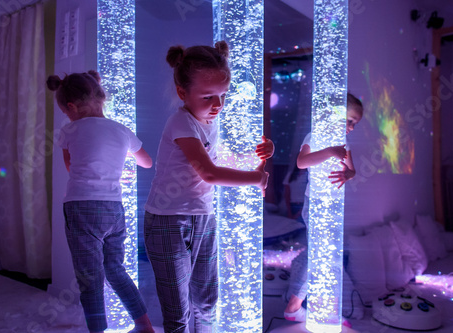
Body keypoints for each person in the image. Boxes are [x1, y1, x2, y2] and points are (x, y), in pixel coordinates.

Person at [144, 41, 274, 333]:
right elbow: (210, 173)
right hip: (167, 221)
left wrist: (259, 154)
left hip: (204, 217)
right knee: (178, 312)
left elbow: (221, 159)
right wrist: (256, 178)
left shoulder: (209, 121)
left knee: (207, 302)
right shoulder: (181, 123)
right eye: (207, 97)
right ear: (182, 92)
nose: (217, 105)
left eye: (222, 96)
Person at [47, 70, 155, 333]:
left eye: (65, 111)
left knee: (90, 277)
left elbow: (72, 167)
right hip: (114, 209)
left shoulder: (69, 130)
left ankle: (97, 329)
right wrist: (121, 163)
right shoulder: (121, 130)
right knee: (115, 269)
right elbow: (147, 162)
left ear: (70, 106)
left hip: (81, 207)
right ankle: (145, 325)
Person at [283, 93, 363, 322]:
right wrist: (330, 151)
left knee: (324, 256)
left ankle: (307, 305)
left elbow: (352, 170)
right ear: (333, 113)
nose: (351, 127)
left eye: (354, 124)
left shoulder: (343, 143)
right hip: (316, 205)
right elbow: (301, 162)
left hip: (333, 207)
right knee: (321, 256)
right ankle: (294, 306)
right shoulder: (315, 136)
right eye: (349, 120)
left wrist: (348, 173)